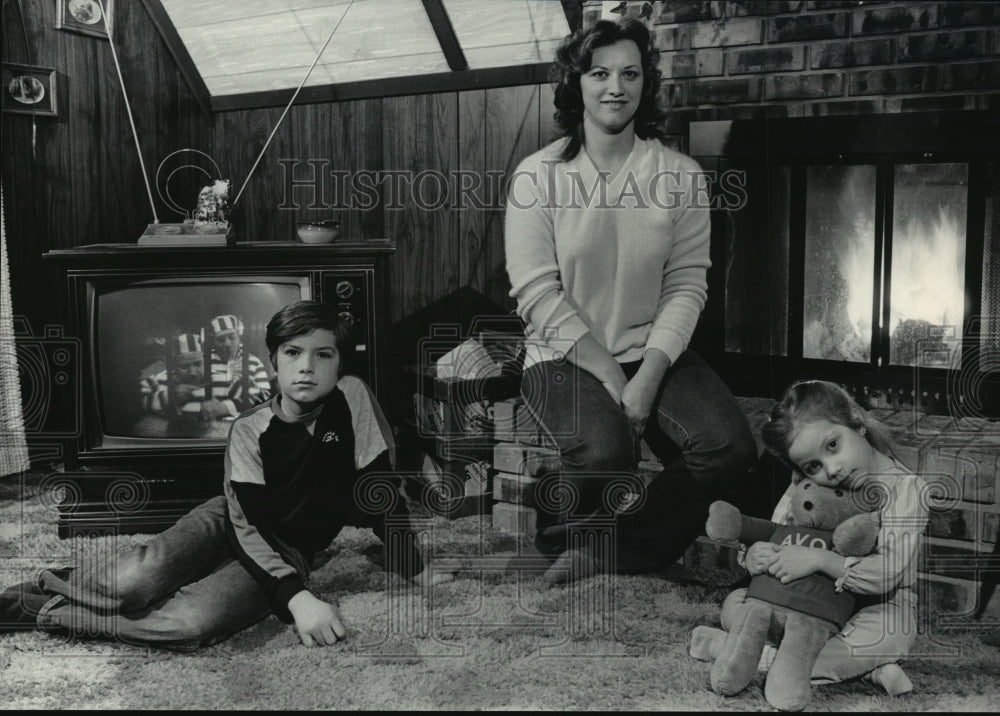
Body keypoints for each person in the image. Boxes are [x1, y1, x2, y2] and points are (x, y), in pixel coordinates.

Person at [0, 300, 450, 650]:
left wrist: (413, 566)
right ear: (274, 361)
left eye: (323, 354)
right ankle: (52, 581)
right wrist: (298, 598)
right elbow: (246, 524)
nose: (307, 366)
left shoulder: (353, 399)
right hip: (226, 521)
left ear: (339, 363)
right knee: (132, 584)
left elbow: (378, 492)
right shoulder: (248, 429)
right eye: (293, 353)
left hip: (290, 548)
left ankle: (45, 613)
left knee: (190, 625)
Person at [503, 18, 757, 583]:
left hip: (650, 350)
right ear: (577, 84)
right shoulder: (536, 177)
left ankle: (614, 547)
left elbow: (688, 286)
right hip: (562, 355)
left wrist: (647, 376)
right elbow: (537, 295)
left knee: (730, 447)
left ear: (646, 84)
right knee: (605, 453)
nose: (615, 86)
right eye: (600, 73)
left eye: (629, 73)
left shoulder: (682, 177)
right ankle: (558, 518)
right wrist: (613, 379)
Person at [691, 380, 928, 696]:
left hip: (877, 603)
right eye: (813, 465)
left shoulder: (906, 489)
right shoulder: (803, 483)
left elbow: (888, 573)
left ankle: (743, 654)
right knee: (735, 606)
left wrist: (819, 558)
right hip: (807, 599)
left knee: (889, 634)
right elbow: (778, 532)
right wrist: (754, 556)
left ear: (856, 424)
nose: (831, 470)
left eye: (833, 445)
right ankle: (860, 671)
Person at [138, 332, 229, 421]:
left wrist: (226, 408)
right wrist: (169, 396)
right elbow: (135, 403)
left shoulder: (222, 378)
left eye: (197, 364)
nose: (192, 372)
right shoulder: (159, 380)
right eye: (184, 367)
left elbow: (242, 399)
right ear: (174, 367)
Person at [205, 313, 272, 418]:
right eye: (221, 339)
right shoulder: (205, 361)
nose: (227, 343)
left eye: (231, 337)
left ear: (239, 337)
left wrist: (227, 407)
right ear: (214, 341)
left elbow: (266, 398)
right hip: (210, 425)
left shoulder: (253, 362)